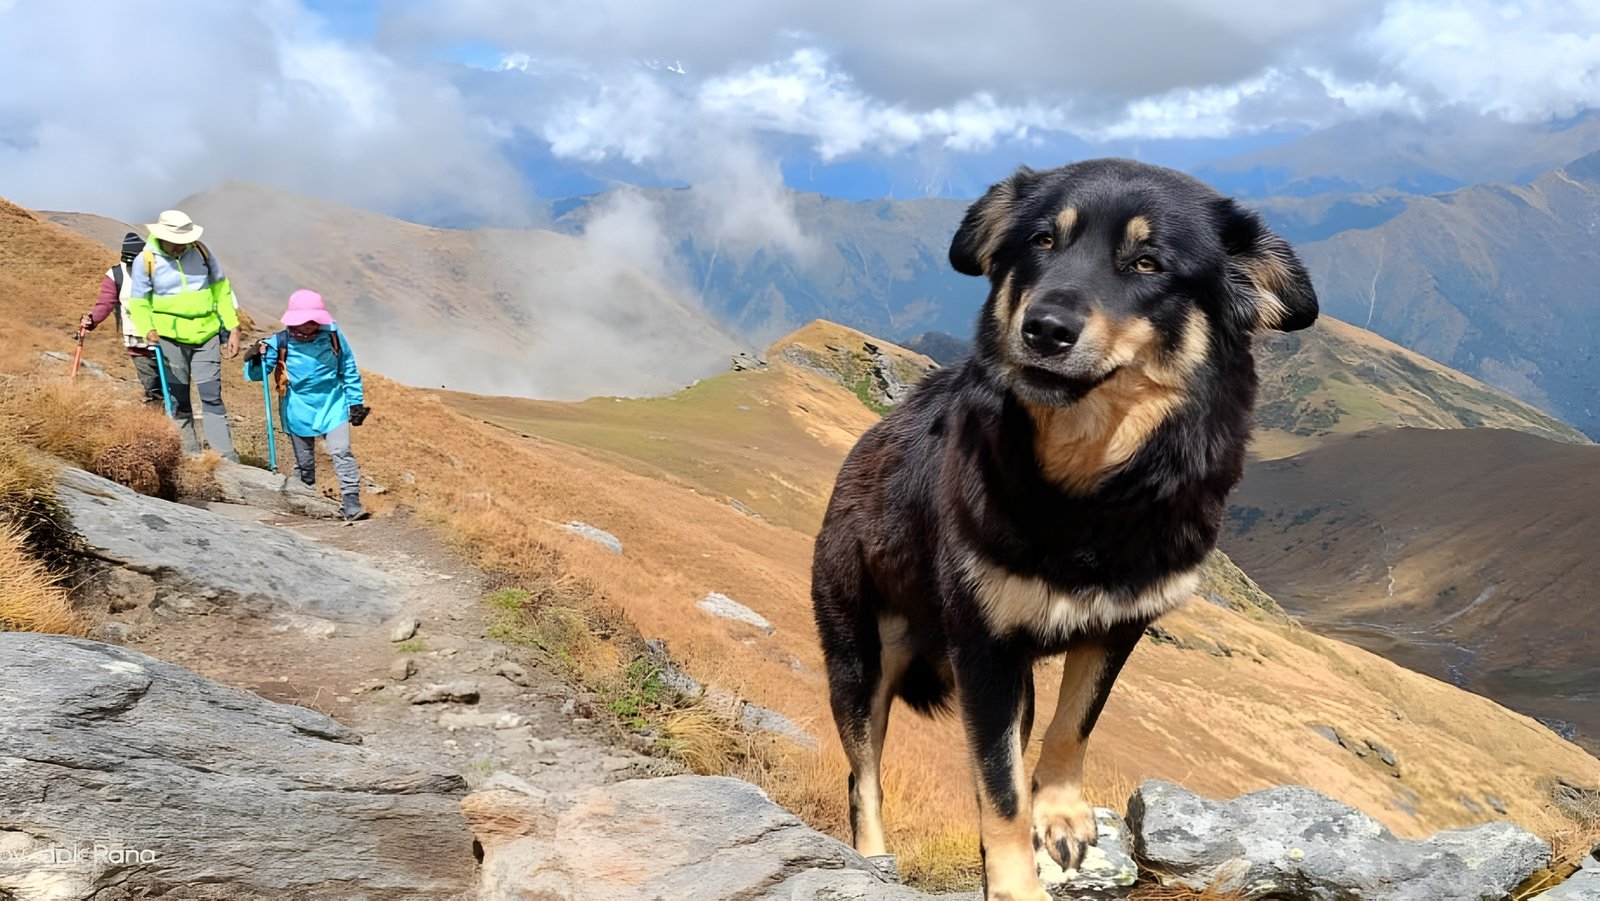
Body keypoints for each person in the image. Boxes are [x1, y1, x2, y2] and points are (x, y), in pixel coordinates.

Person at [243, 289, 372, 521]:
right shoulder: (279, 342)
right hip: (297, 407)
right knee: (305, 463)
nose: (311, 325)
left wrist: (355, 403)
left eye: (315, 320)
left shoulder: (333, 334)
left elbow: (348, 367)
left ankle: (352, 504)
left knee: (342, 451)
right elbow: (257, 375)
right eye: (306, 321)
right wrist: (255, 357)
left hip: (333, 403)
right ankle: (306, 503)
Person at [124, 209, 241, 461]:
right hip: (169, 338)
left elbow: (222, 290)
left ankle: (226, 457)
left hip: (206, 334)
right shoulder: (146, 260)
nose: (181, 247)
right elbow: (140, 302)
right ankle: (190, 456)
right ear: (162, 237)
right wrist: (148, 329)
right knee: (178, 399)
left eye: (184, 242)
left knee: (211, 395)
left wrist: (232, 327)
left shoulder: (201, 252)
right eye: (176, 243)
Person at [80, 232, 163, 405]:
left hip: (167, 338)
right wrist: (91, 320)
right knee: (152, 387)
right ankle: (160, 421)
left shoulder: (161, 271)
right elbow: (105, 302)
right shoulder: (116, 274)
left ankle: (180, 422)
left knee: (175, 387)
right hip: (137, 340)